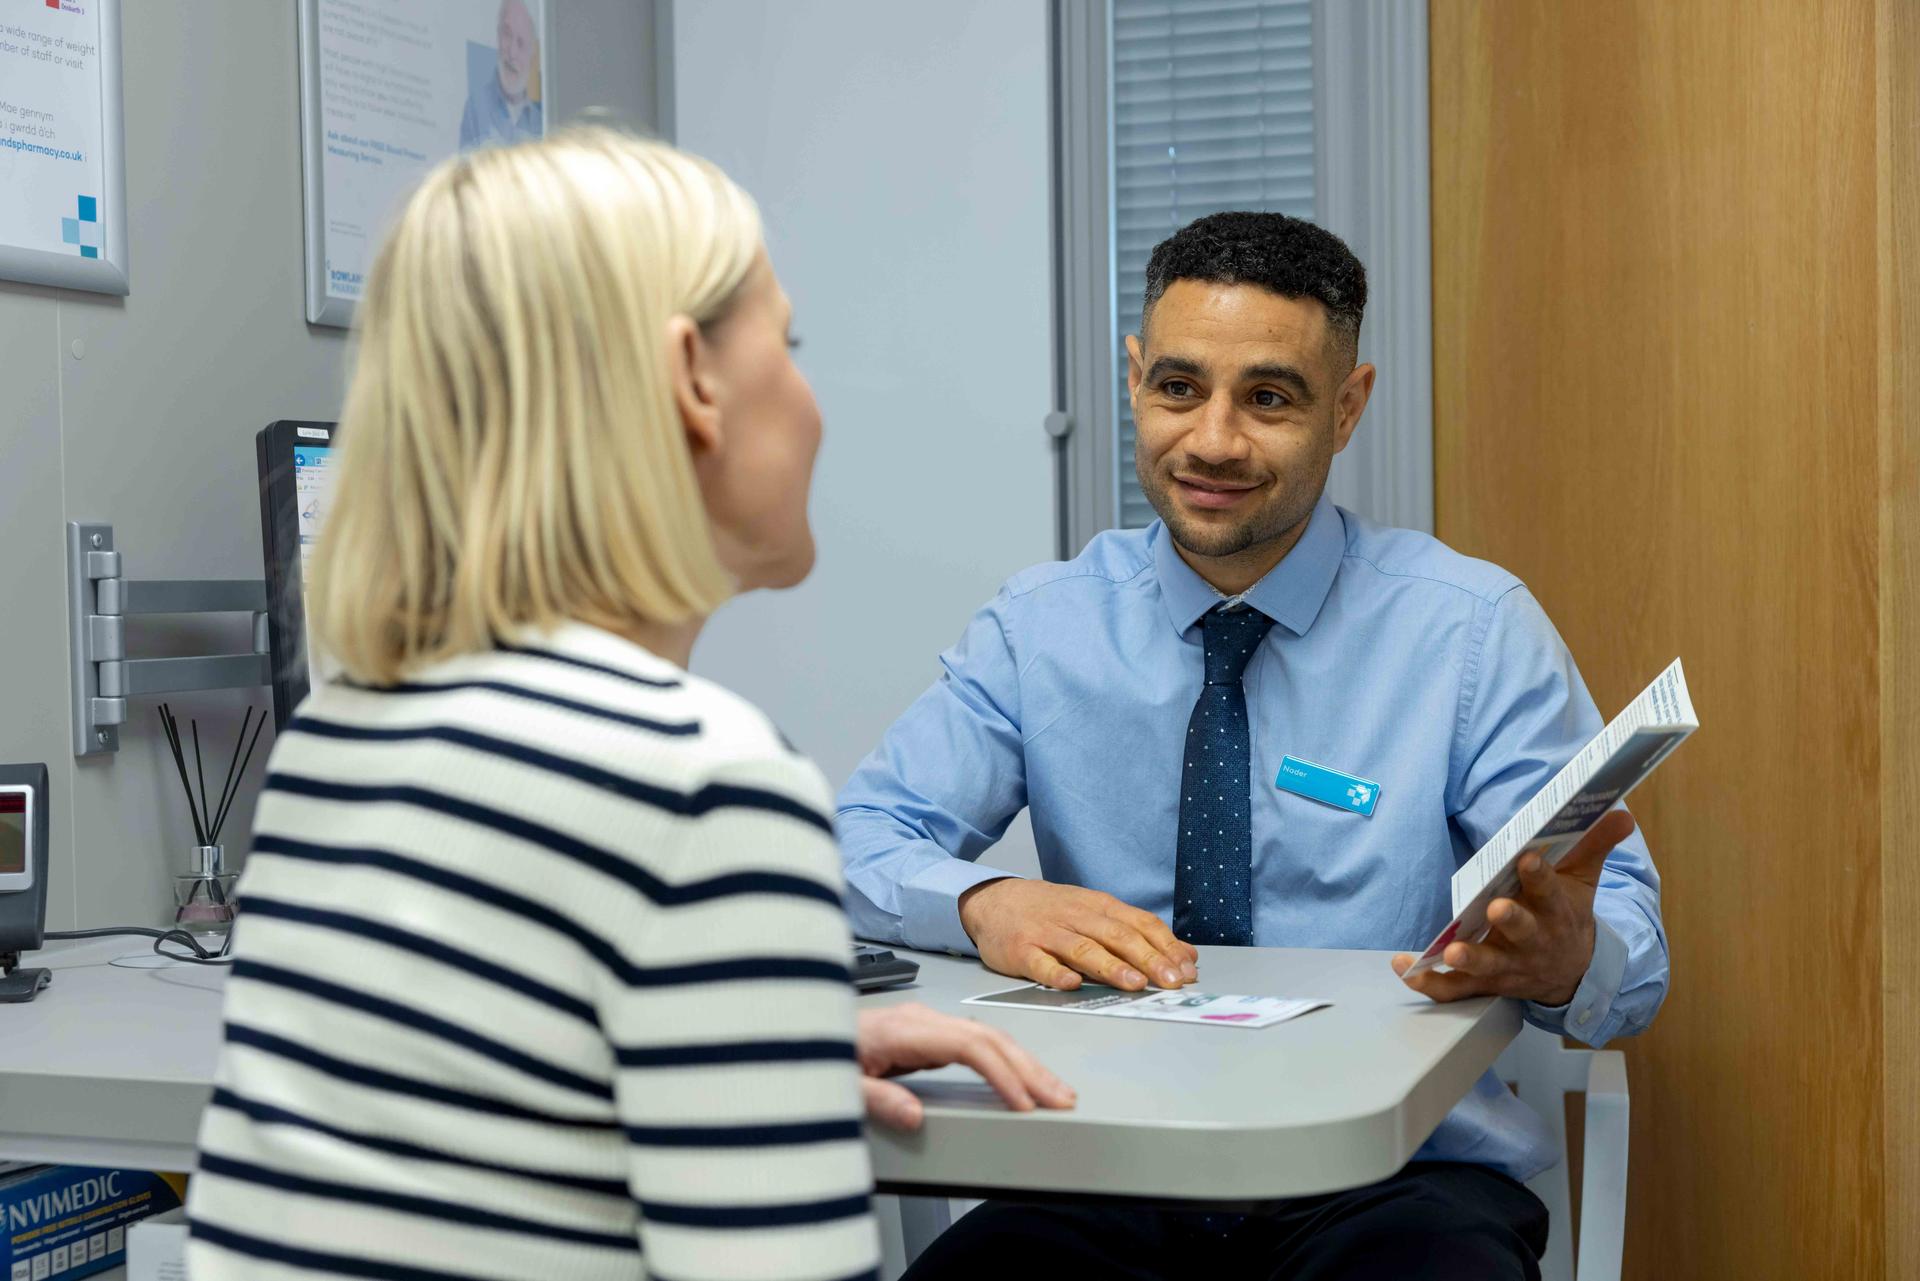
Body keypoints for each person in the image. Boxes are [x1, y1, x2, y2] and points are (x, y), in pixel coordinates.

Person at [184, 128, 1071, 1281]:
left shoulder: (344, 741)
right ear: (692, 382)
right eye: (787, 346)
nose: (810, 403)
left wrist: (747, 1034)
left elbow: (470, 1104)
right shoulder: (703, 783)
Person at [836, 211, 1668, 1280]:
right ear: (1135, 380)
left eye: (1269, 398)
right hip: (1101, 1169)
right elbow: (857, 841)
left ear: (1349, 408)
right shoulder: (1039, 627)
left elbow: (1634, 948)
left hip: (1395, 1183)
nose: (1215, 441)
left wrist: (1567, 959)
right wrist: (983, 903)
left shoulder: (1468, 633)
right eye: (1179, 388)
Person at [458, 0, 544, 150]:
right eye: (507, 35)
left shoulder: (541, 121)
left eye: (521, 43)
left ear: (532, 54)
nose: (512, 52)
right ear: (498, 35)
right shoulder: (476, 107)